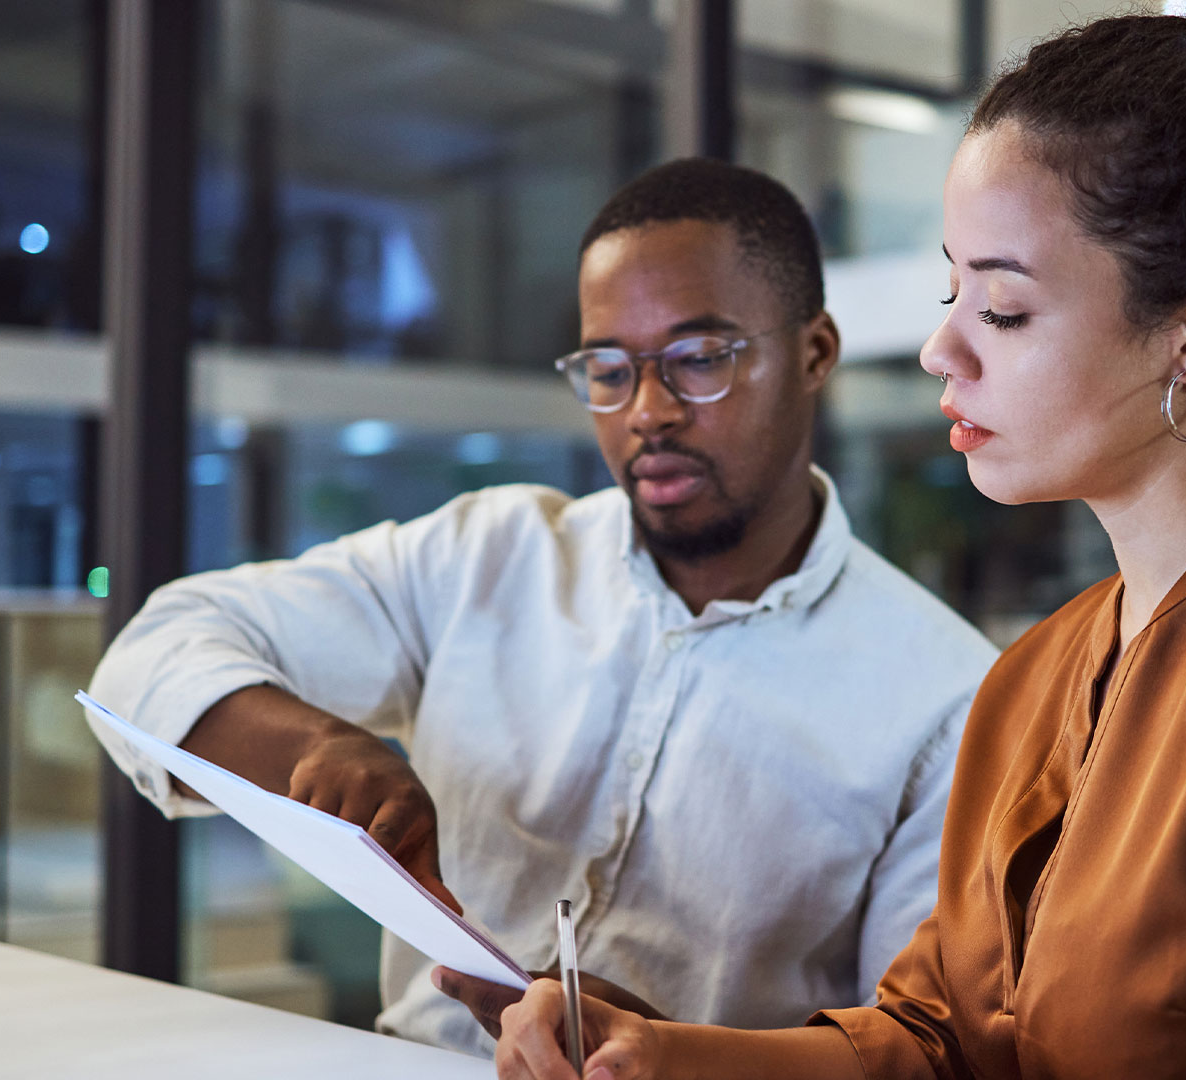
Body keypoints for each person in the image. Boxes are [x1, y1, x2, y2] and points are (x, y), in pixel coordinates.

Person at [489, 2, 1186, 1077]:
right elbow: (937, 1038)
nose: (943, 348)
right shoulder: (1036, 678)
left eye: (1002, 307)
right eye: (953, 291)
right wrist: (660, 1057)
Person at [85, 158, 997, 1055]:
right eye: (608, 368)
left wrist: (666, 1051)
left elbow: (913, 1048)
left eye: (698, 359)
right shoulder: (485, 555)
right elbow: (151, 654)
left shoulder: (949, 700)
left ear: (814, 353)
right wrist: (314, 747)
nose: (648, 411)